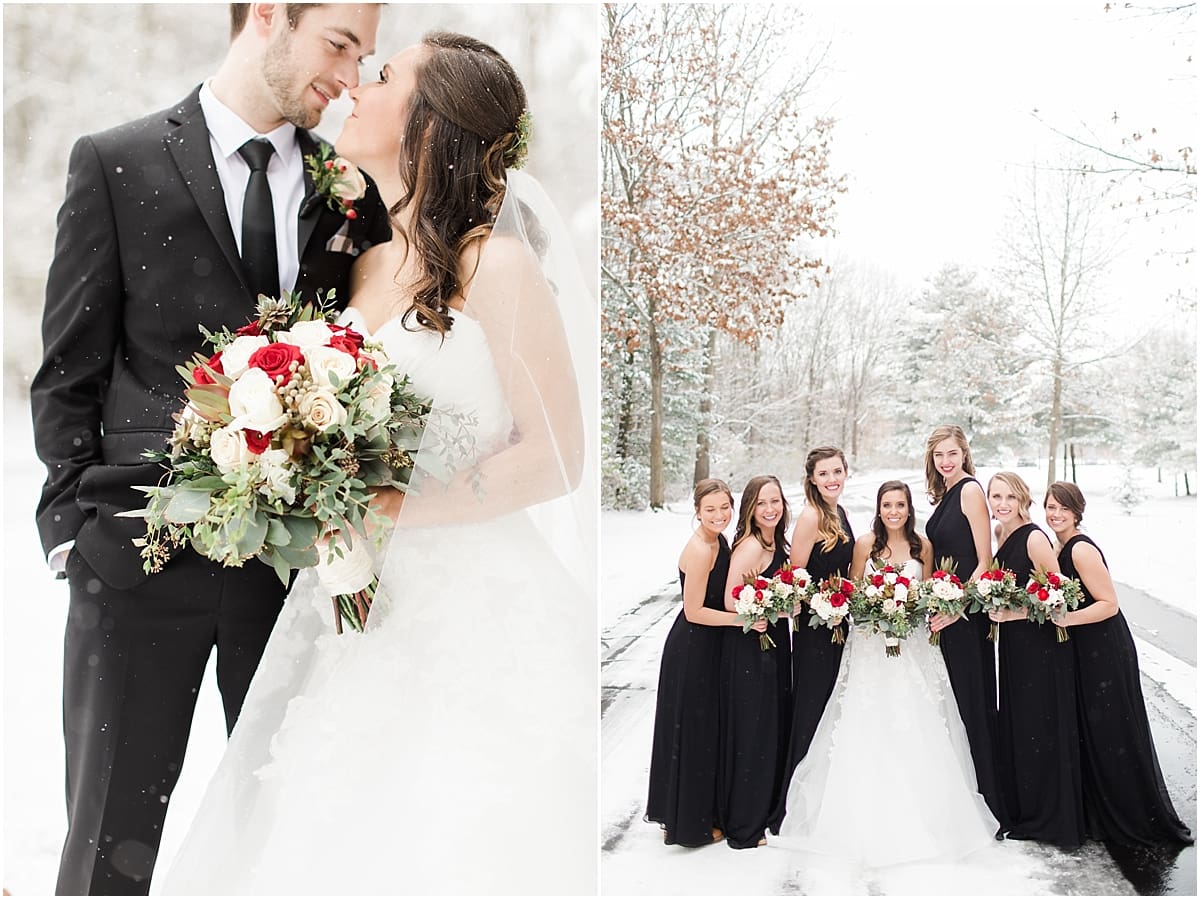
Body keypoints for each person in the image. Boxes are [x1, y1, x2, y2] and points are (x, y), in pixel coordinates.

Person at [153, 32, 597, 894]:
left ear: (432, 125)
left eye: (385, 74)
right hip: (353, 617)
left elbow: (558, 457)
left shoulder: (496, 268)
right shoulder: (358, 269)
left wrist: (394, 508)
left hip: (472, 613)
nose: (358, 82)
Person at [30, 5, 389, 893]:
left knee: (282, 847)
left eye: (364, 57)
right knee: (107, 853)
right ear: (268, 14)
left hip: (290, 578)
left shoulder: (350, 192)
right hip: (135, 559)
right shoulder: (117, 163)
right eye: (339, 44)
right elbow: (68, 367)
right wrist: (76, 526)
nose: (349, 76)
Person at [776, 480, 1001, 866]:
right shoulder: (865, 544)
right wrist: (877, 607)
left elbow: (927, 590)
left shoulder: (922, 546)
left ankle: (928, 812)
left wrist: (907, 608)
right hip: (870, 643)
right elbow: (855, 590)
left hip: (912, 643)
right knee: (867, 720)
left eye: (900, 504)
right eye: (886, 505)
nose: (893, 511)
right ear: (878, 509)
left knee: (919, 719)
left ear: (908, 508)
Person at [1044, 482, 1193, 847]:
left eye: (1063, 508)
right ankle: (1102, 811)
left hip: (1104, 648)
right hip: (1083, 648)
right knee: (1094, 733)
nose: (1055, 514)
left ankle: (1135, 815)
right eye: (1050, 507)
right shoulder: (1057, 546)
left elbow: (1109, 603)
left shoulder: (1079, 549)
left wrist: (1066, 619)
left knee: (1113, 733)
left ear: (1077, 511)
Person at [645, 478, 764, 848]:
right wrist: (741, 619)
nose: (719, 515)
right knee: (692, 734)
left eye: (724, 508)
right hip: (693, 648)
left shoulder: (720, 540)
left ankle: (688, 813)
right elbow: (694, 611)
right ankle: (688, 826)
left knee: (701, 732)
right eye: (710, 509)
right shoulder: (700, 549)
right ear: (696, 511)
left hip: (711, 647)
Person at [987, 472, 1084, 849]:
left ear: (1023, 499)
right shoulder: (1001, 534)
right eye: (996, 496)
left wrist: (1013, 614)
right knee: (1019, 724)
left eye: (1010, 496)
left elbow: (1058, 597)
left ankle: (1050, 818)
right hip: (1014, 647)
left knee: (1041, 727)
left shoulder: (1034, 538)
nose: (1002, 504)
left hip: (1041, 646)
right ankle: (1025, 810)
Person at [923, 425, 1006, 829]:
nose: (946, 461)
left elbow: (984, 562)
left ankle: (990, 802)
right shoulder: (944, 495)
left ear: (964, 454)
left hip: (966, 616)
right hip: (947, 611)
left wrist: (958, 608)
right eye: (939, 455)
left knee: (971, 704)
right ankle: (963, 795)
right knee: (952, 704)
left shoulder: (971, 490)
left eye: (952, 453)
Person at [769, 446, 855, 833]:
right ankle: (795, 803)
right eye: (824, 474)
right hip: (814, 630)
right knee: (813, 707)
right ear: (812, 480)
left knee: (835, 709)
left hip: (840, 625)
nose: (832, 479)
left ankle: (830, 795)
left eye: (837, 471)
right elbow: (794, 578)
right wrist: (820, 605)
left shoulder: (842, 514)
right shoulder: (809, 517)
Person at [718, 476, 792, 849]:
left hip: (775, 642)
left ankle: (763, 812)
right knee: (753, 731)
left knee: (770, 727)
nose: (770, 509)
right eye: (762, 503)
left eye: (775, 501)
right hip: (752, 644)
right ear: (750, 508)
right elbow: (732, 599)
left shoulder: (777, 541)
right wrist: (762, 609)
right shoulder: (749, 546)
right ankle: (744, 827)